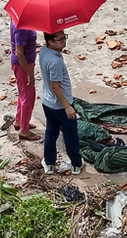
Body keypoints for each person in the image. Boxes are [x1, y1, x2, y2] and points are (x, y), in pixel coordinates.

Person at [36, 30, 83, 175]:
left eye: (64, 37)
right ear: (50, 41)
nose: (64, 41)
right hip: (60, 105)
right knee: (70, 135)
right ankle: (76, 164)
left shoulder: (44, 51)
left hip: (48, 102)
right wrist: (67, 107)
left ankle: (49, 163)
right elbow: (55, 86)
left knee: (51, 132)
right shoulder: (55, 62)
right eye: (60, 39)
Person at [10, 24, 40, 141]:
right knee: (28, 96)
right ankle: (24, 130)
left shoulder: (19, 21)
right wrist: (29, 74)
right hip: (23, 65)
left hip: (24, 63)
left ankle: (20, 120)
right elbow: (19, 53)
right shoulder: (21, 29)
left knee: (23, 94)